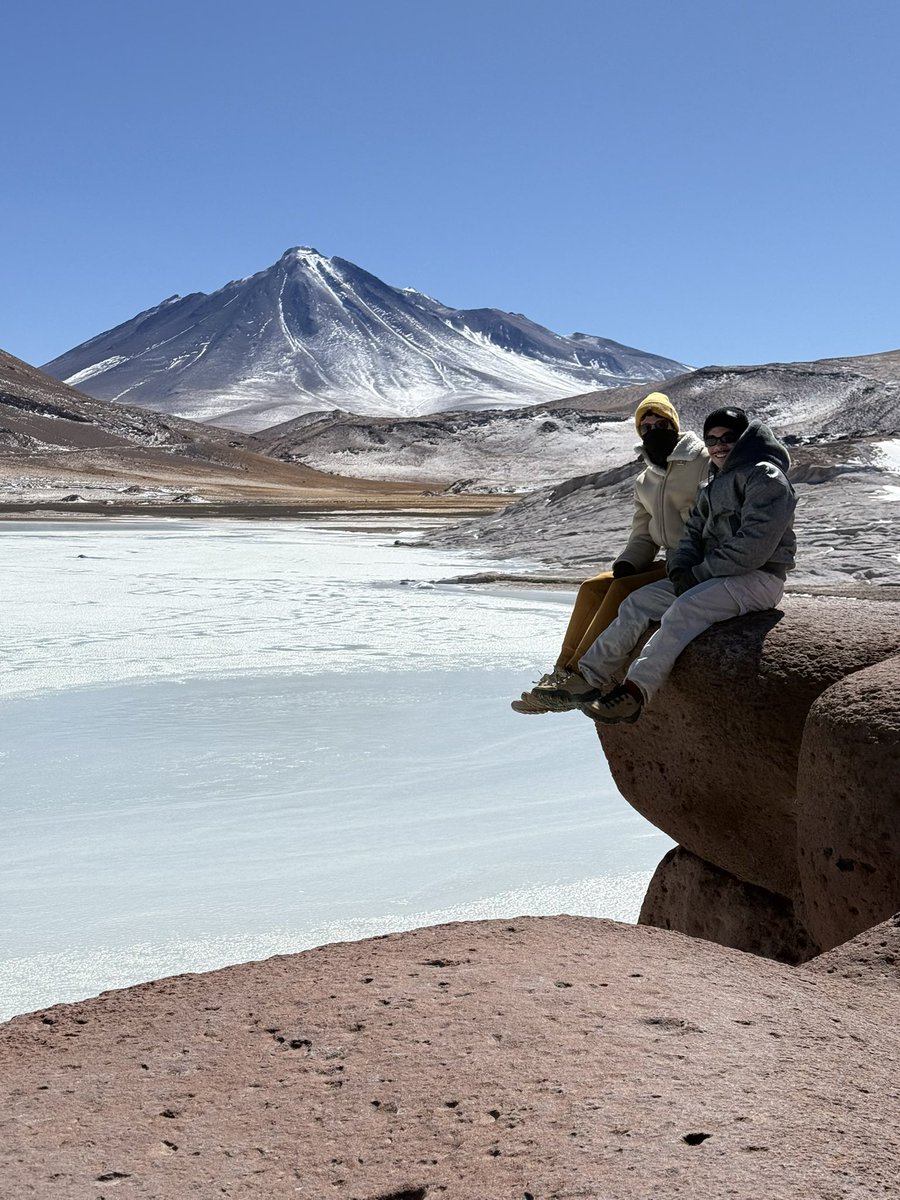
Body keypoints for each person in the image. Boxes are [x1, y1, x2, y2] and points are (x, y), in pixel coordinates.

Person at [574, 407, 795, 725]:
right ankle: (587, 678)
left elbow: (752, 548)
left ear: (744, 438)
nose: (719, 445)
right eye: (712, 439)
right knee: (638, 602)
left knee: (685, 609)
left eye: (729, 437)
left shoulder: (765, 477)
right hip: (712, 577)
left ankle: (634, 694)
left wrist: (697, 575)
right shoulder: (713, 485)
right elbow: (690, 537)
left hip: (758, 578)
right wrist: (680, 569)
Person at [513, 391, 709, 714]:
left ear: (673, 423)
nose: (653, 430)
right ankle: (561, 672)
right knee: (594, 586)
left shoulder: (700, 461)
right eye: (646, 426)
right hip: (668, 559)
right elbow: (643, 534)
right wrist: (629, 562)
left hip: (693, 561)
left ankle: (578, 675)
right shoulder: (646, 480)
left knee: (621, 591)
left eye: (660, 422)